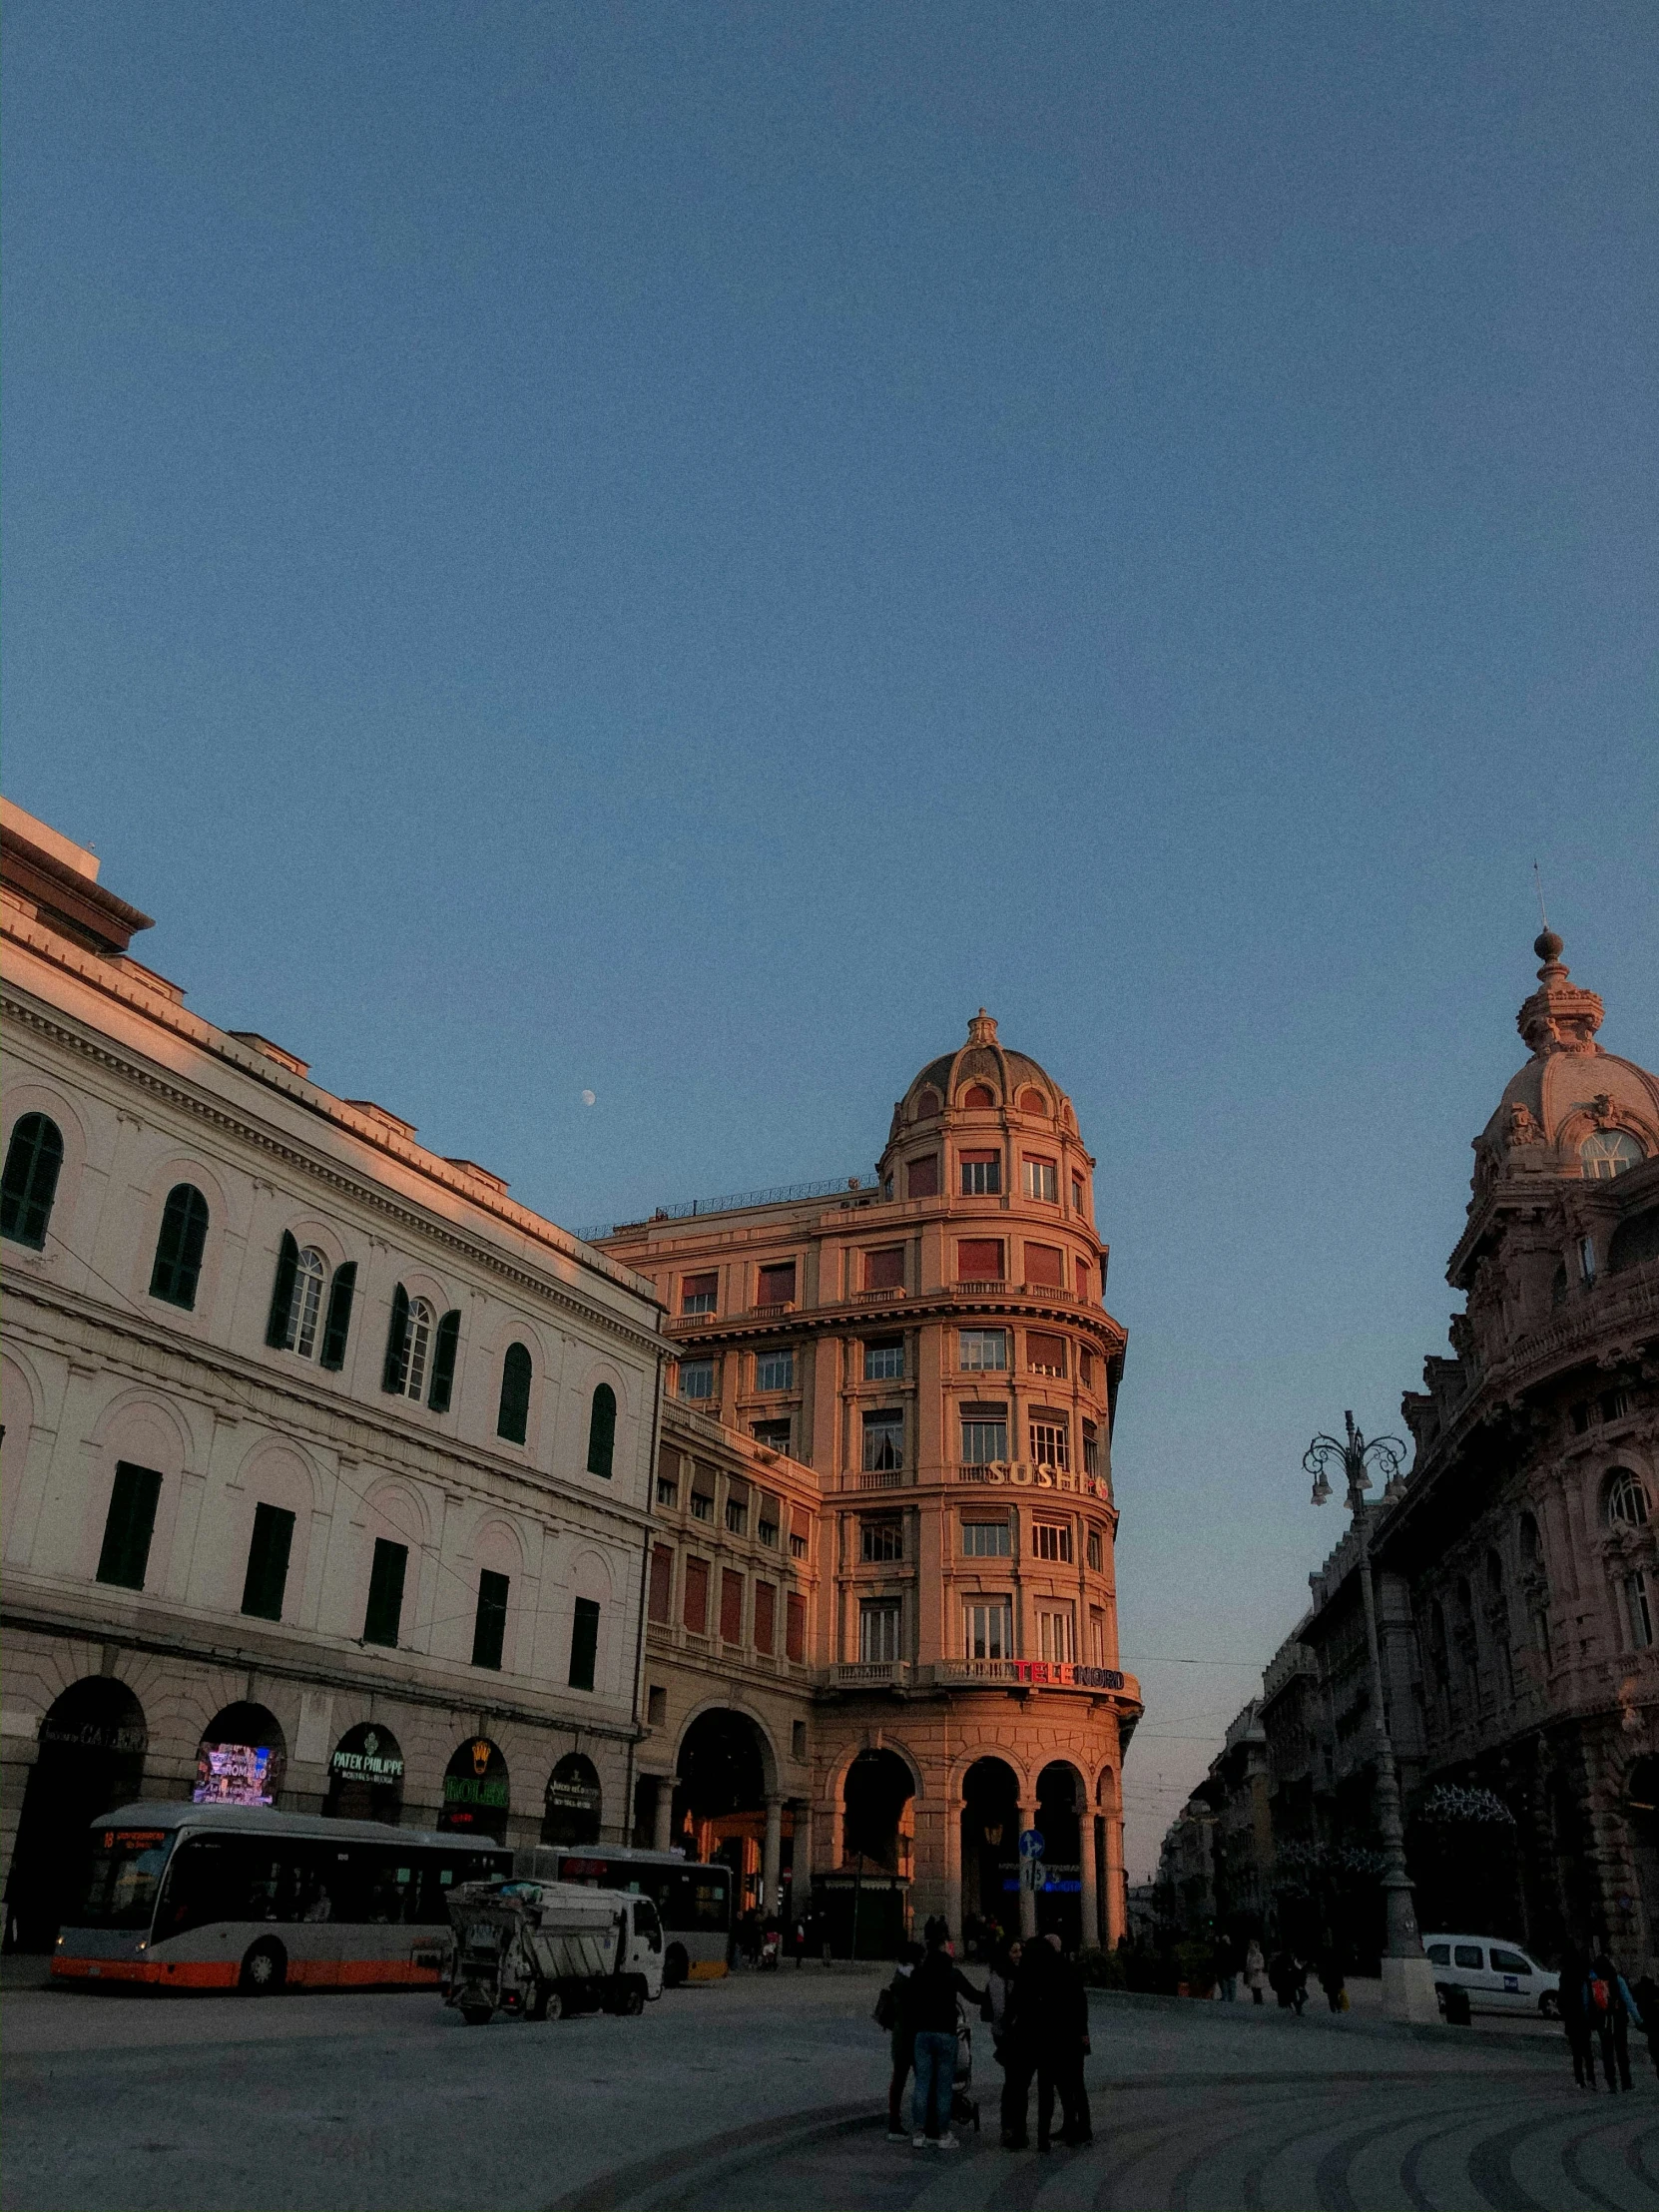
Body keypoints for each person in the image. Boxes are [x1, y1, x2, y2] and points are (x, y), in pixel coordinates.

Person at [906, 1926, 985, 2150]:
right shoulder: (952, 1973)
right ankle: (942, 2134)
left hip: (922, 2033)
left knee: (922, 2084)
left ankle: (919, 2133)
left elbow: (909, 2002)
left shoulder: (918, 1973)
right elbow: (973, 1995)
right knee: (943, 2086)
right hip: (945, 2033)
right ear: (944, 1946)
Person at [1033, 1934, 1093, 2150]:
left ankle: (1082, 2127)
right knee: (1070, 2085)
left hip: (1068, 2038)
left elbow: (1078, 2004)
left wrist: (1081, 2033)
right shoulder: (1065, 1969)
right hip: (1070, 2038)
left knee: (1073, 2084)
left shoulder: (1061, 1972)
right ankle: (1072, 2125)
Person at [882, 1942, 923, 2141]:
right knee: (921, 2080)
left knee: (898, 2080)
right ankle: (922, 2123)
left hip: (899, 2035)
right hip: (913, 2035)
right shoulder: (915, 1978)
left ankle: (894, 2120)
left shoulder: (898, 1976)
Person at [1587, 1951, 1643, 2093]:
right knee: (1622, 2051)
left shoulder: (1594, 1981)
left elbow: (1587, 2002)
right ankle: (1626, 2082)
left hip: (1603, 2021)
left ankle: (1611, 2083)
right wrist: (1638, 2020)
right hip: (1618, 2020)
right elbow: (1629, 2001)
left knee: (1607, 2052)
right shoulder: (1617, 1979)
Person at [1559, 1946, 1595, 2089]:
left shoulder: (1565, 1975)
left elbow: (1561, 1999)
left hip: (1572, 2018)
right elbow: (1589, 1996)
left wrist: (1565, 2013)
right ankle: (1591, 2078)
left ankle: (1580, 2080)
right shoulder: (1583, 1974)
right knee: (1587, 2051)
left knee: (1576, 2053)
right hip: (1583, 2017)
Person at [983, 1938, 1022, 2063]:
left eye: (1020, 1951)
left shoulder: (1016, 1973)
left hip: (1013, 2030)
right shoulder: (998, 1977)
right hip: (1005, 2031)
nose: (1019, 1955)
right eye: (1014, 1951)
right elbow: (999, 2009)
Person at [1215, 1933, 1238, 2002]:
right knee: (1231, 1987)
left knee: (1225, 1987)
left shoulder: (1221, 1948)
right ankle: (1231, 1999)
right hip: (1230, 1971)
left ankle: (1226, 1998)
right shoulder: (1232, 1948)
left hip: (1224, 1971)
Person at [1245, 1937, 1267, 2005]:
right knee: (1253, 1989)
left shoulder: (1259, 1955)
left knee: (1257, 1989)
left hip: (1257, 1974)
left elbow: (1262, 1964)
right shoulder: (1249, 1955)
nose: (1250, 1947)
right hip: (1251, 1974)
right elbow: (1248, 1963)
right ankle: (1256, 2001)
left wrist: (1256, 1968)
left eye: (1252, 1945)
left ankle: (1259, 2001)